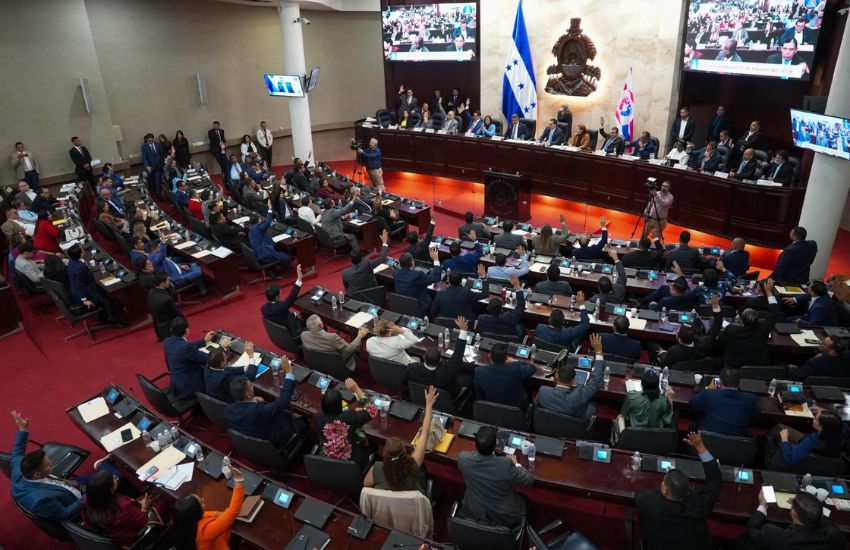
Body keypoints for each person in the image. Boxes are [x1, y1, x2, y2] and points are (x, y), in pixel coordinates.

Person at [635, 432, 721, 550]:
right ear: (689, 490)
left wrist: (671, 477)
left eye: (663, 482)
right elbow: (715, 478)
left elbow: (639, 495)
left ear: (665, 490)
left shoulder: (649, 502)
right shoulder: (700, 505)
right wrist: (700, 446)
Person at [10, 410, 85, 521]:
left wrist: (23, 429)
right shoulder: (41, 500)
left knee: (100, 476)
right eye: (48, 465)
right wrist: (86, 498)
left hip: (71, 486)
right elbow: (64, 515)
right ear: (37, 474)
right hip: (79, 503)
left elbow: (17, 453)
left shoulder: (20, 471)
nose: (51, 463)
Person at [364, 386, 437, 494]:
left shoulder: (377, 469)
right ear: (405, 452)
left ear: (384, 454)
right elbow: (425, 433)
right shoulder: (413, 465)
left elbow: (366, 485)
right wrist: (429, 404)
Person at [457, 425, 533, 528]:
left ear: (475, 444)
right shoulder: (505, 465)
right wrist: (516, 464)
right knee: (525, 500)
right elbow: (528, 480)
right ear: (496, 444)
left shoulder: (463, 459)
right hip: (503, 515)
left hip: (475, 509)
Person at [225, 356, 303, 448]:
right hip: (276, 440)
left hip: (252, 443)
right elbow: (282, 402)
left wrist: (252, 400)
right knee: (302, 421)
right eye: (251, 386)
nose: (252, 386)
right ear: (248, 394)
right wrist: (289, 372)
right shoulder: (258, 411)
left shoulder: (228, 410)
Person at [169, 466, 245, 550]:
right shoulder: (206, 531)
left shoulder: (180, 523)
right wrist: (238, 480)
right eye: (201, 503)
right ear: (195, 513)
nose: (203, 499)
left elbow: (205, 515)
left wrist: (218, 515)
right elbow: (233, 512)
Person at [535, 333, 605, 422]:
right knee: (592, 406)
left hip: (545, 425)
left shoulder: (543, 391)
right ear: (574, 381)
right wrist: (598, 352)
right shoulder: (580, 395)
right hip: (572, 428)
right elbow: (597, 381)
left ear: (556, 376)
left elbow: (536, 408)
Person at [744, 490, 845, 549]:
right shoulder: (835, 537)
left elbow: (751, 529)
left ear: (794, 514)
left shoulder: (773, 535)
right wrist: (814, 511)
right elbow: (829, 527)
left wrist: (762, 506)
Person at [81, 470, 156, 547]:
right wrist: (145, 507)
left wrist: (136, 504)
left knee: (142, 498)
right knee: (159, 501)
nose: (115, 477)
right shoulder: (122, 506)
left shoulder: (87, 504)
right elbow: (142, 522)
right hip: (133, 539)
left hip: (113, 541)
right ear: (110, 489)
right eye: (114, 478)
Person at [402, 317, 471, 398]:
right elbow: (458, 354)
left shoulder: (411, 368)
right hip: (448, 398)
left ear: (424, 357)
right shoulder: (448, 371)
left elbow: (405, 384)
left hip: (421, 396)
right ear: (440, 360)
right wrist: (463, 331)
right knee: (468, 378)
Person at [315, 378, 374, 471]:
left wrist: (352, 412)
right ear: (340, 405)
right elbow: (373, 410)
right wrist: (357, 389)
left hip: (327, 459)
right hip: (350, 461)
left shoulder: (317, 417)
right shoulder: (349, 417)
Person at [718, 279, 780, 368]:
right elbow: (774, 312)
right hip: (758, 366)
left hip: (735, 366)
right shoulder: (764, 327)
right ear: (758, 319)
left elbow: (720, 339)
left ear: (741, 320)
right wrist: (769, 292)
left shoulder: (731, 329)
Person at [689, 367, 758, 437]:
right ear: (740, 383)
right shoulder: (750, 399)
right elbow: (756, 415)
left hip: (708, 440)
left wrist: (708, 388)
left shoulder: (709, 394)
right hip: (737, 442)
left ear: (720, 382)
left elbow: (693, 403)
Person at [67, 245, 124, 326]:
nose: (83, 251)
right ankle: (115, 322)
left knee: (104, 293)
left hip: (85, 289)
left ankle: (102, 319)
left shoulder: (71, 262)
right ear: (81, 254)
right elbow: (80, 285)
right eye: (82, 250)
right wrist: (84, 300)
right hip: (87, 294)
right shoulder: (81, 267)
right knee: (108, 302)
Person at [474, 341, 535, 410]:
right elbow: (532, 368)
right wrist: (515, 361)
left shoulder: (479, 371)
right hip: (517, 410)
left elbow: (480, 397)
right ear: (506, 357)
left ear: (489, 355)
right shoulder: (516, 368)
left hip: (491, 409)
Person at [163, 318, 215, 397]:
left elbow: (184, 347)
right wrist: (223, 348)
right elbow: (207, 358)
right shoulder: (186, 347)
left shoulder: (167, 341)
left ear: (171, 329)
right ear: (187, 330)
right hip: (190, 389)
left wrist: (205, 340)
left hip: (176, 385)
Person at [773, 409, 843, 466]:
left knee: (779, 429)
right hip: (819, 461)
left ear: (822, 427)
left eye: (815, 419)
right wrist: (823, 412)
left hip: (797, 459)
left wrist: (785, 439)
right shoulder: (837, 433)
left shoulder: (811, 441)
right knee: (780, 428)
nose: (813, 419)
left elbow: (790, 459)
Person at [301, 315, 369, 373]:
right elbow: (349, 349)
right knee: (357, 343)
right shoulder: (332, 337)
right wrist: (359, 336)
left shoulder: (303, 335)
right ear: (321, 325)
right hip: (338, 366)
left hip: (318, 364)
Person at [477, 275, 526, 341]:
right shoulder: (509, 319)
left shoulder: (481, 318)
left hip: (487, 340)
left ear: (487, 308)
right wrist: (517, 286)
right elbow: (521, 305)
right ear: (501, 310)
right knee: (520, 326)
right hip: (507, 339)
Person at [342, 230, 389, 294]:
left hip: (356, 297)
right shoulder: (367, 264)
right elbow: (383, 258)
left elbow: (346, 288)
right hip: (373, 294)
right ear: (361, 258)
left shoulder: (345, 273)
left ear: (350, 260)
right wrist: (384, 242)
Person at [147, 273, 181, 341]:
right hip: (170, 330)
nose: (169, 282)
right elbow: (175, 314)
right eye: (168, 280)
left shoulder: (151, 292)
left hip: (160, 327)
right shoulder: (167, 300)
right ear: (162, 283)